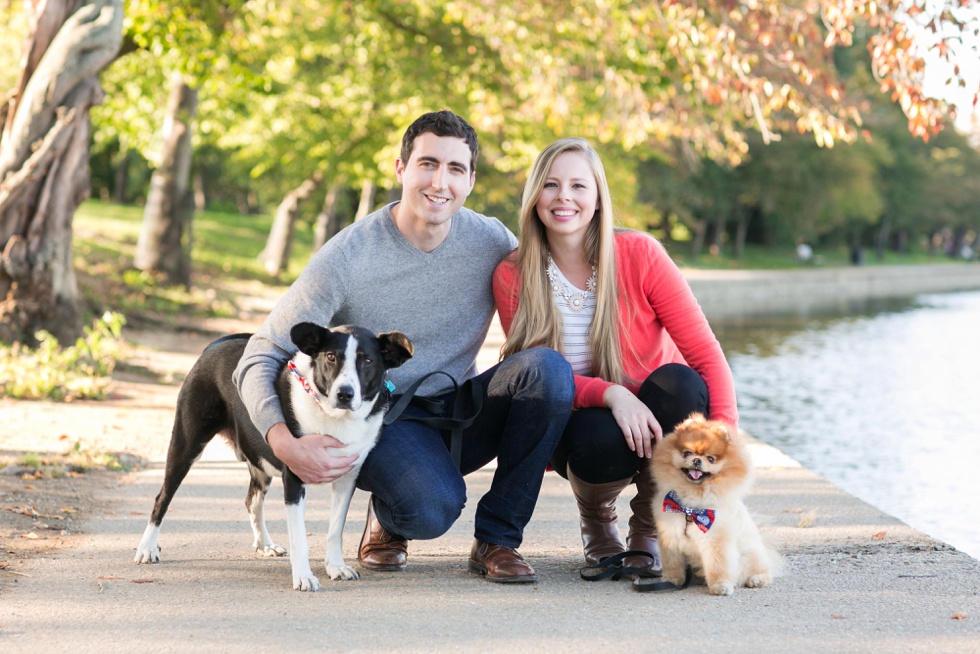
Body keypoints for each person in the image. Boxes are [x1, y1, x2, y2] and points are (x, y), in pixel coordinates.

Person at [234, 110, 574, 583]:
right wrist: (283, 442)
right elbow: (259, 352)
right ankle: (391, 515)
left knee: (548, 371)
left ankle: (498, 539)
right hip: (382, 420)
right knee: (429, 510)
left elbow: (566, 269)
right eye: (428, 164)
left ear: (471, 180)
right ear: (401, 169)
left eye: (456, 169)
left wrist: (614, 393)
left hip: (458, 408)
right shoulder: (348, 255)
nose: (440, 182)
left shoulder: (492, 239)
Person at [492, 137, 738, 576]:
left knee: (683, 385)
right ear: (534, 197)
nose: (563, 197)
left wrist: (726, 453)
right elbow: (539, 375)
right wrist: (611, 395)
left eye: (578, 186)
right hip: (580, 423)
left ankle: (649, 528)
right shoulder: (513, 274)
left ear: (598, 197)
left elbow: (706, 355)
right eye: (550, 185)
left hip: (657, 410)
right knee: (598, 436)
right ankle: (597, 519)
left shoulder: (639, 254)